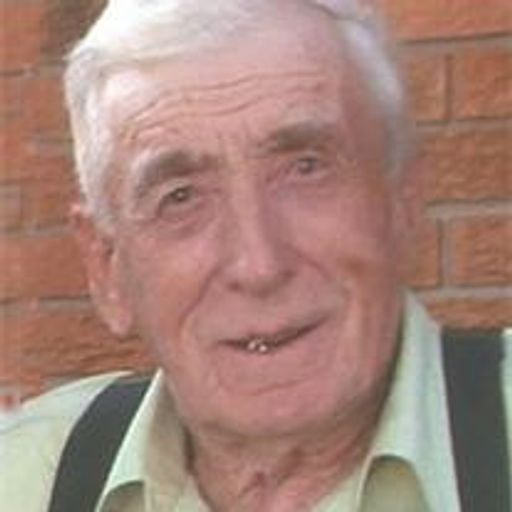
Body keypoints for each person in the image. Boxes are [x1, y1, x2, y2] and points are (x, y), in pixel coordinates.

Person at [1, 1, 510, 511]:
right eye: (181, 197)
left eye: (306, 168)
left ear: (402, 198)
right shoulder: (24, 478)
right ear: (106, 267)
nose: (259, 265)